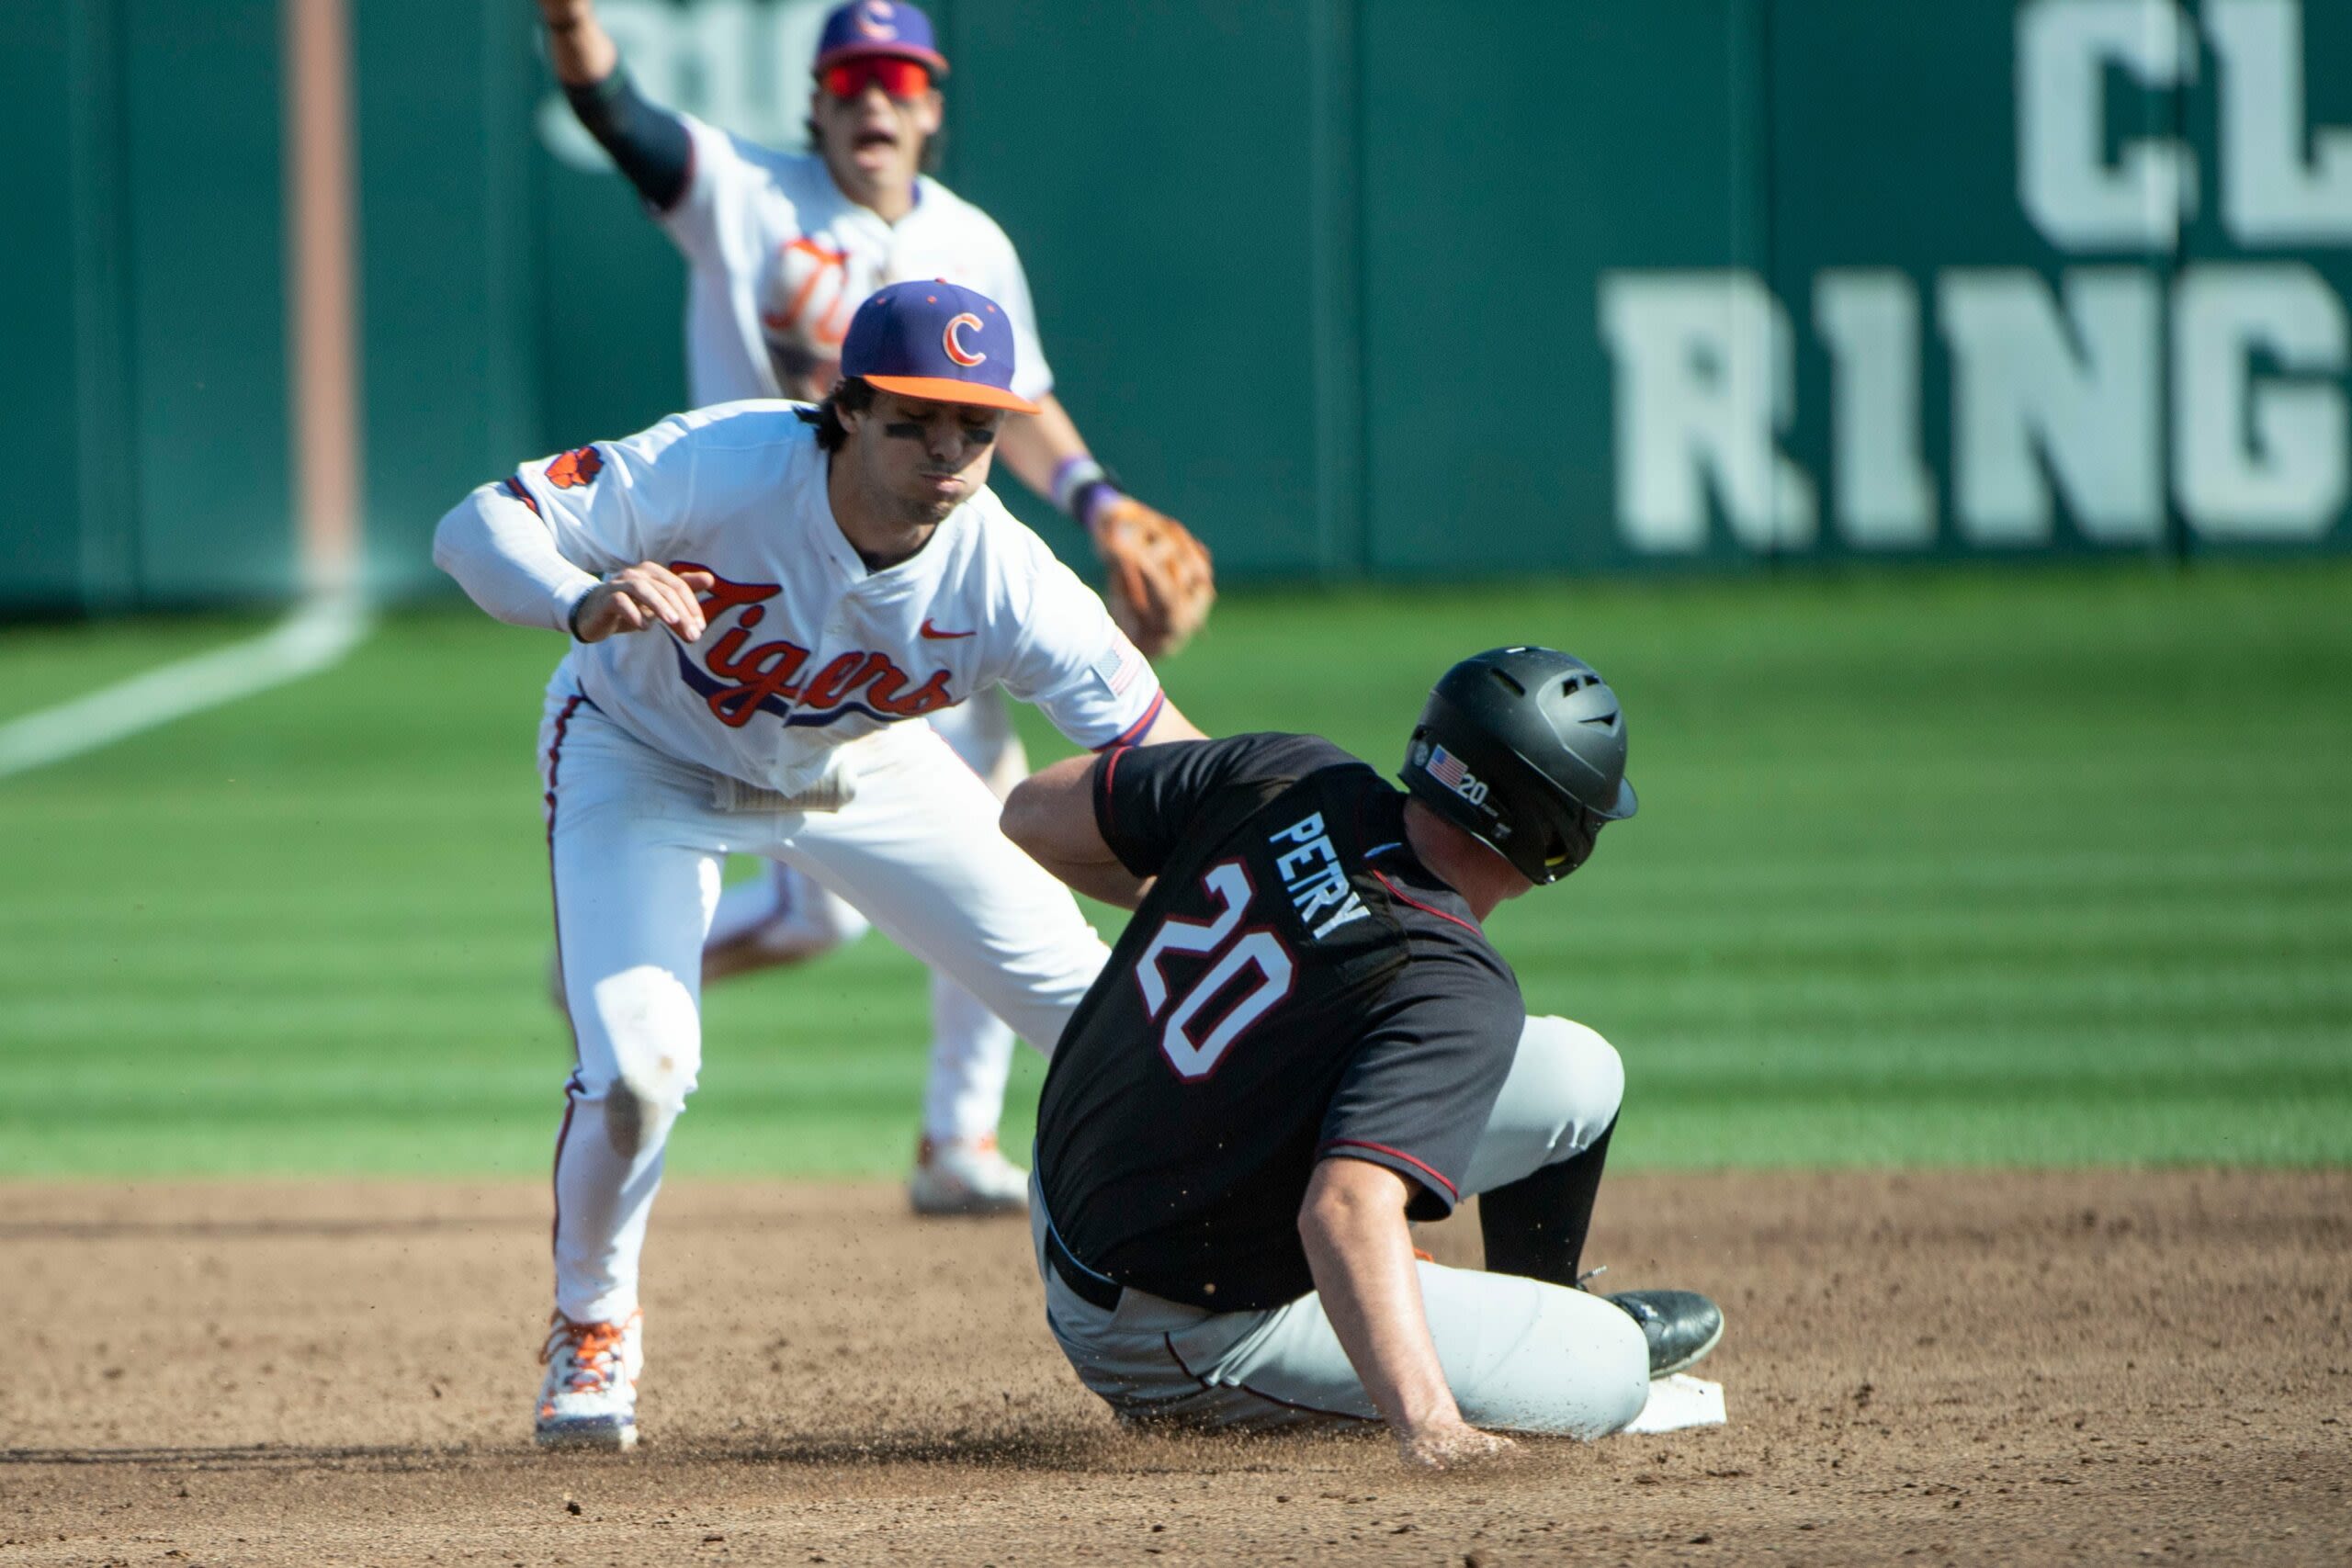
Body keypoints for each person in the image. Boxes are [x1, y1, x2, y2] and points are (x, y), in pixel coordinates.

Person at [432, 279, 1204, 1450]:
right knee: (640, 1073)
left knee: (1110, 1021)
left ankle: (1269, 1265)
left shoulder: (1008, 578)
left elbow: (1170, 761)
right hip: (643, 760)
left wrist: (1294, 861)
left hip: (867, 766)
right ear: (843, 410)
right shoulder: (724, 465)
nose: (948, 450)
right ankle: (593, 1325)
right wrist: (580, 597)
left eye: (976, 426)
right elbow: (475, 527)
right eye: (914, 420)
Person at [535, 0, 1216, 1213]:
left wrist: (1102, 504)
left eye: (902, 81)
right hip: (756, 584)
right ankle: (621, 957)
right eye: (852, 80)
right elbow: (617, 113)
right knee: (818, 919)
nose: (876, 101)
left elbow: (1020, 401)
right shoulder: (745, 191)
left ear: (934, 108)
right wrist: (569, 20)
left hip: (918, 595)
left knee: (1005, 839)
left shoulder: (971, 241)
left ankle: (957, 1138)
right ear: (817, 100)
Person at [999, 646, 1723, 1470]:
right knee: (1614, 1370)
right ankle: (1548, 1346)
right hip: (1170, 1324)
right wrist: (1430, 1425)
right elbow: (1342, 1210)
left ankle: (1533, 1311)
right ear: (1560, 838)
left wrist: (1213, 891)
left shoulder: (1293, 771)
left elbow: (1030, 813)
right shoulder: (1457, 986)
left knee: (1578, 1072)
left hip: (1080, 1191)